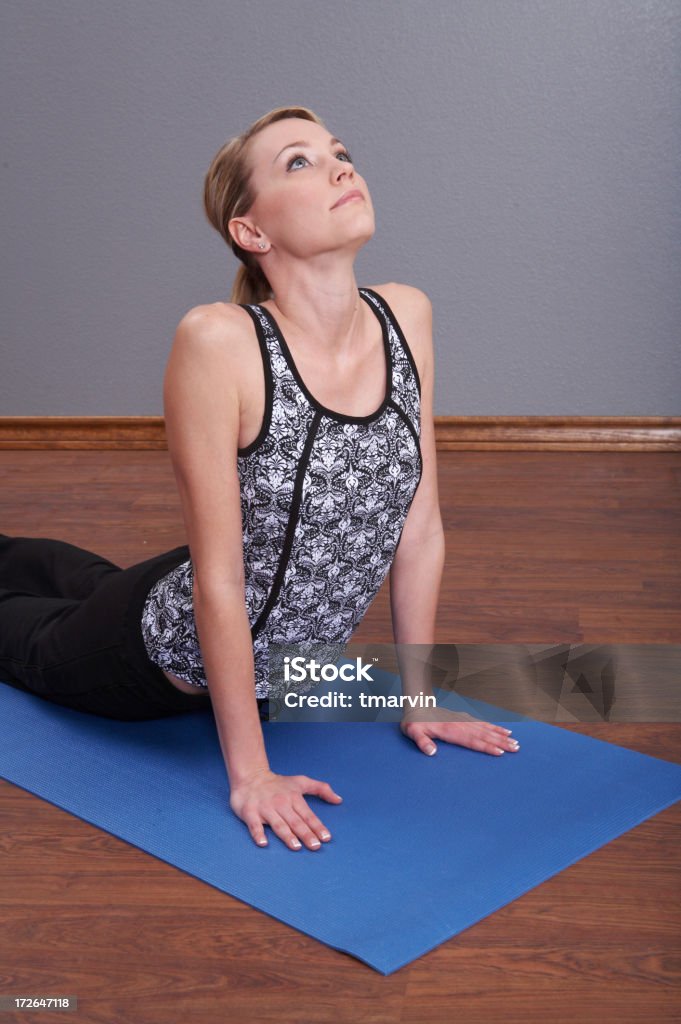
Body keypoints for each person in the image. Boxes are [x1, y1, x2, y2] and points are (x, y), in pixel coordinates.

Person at [0, 105, 520, 853]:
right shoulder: (220, 341)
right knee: (26, 624)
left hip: (202, 607)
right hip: (157, 658)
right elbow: (218, 579)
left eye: (340, 151)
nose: (343, 166)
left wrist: (417, 695)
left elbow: (420, 526)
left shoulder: (407, 315)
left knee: (57, 567)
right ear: (251, 232)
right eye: (300, 163)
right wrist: (250, 773)